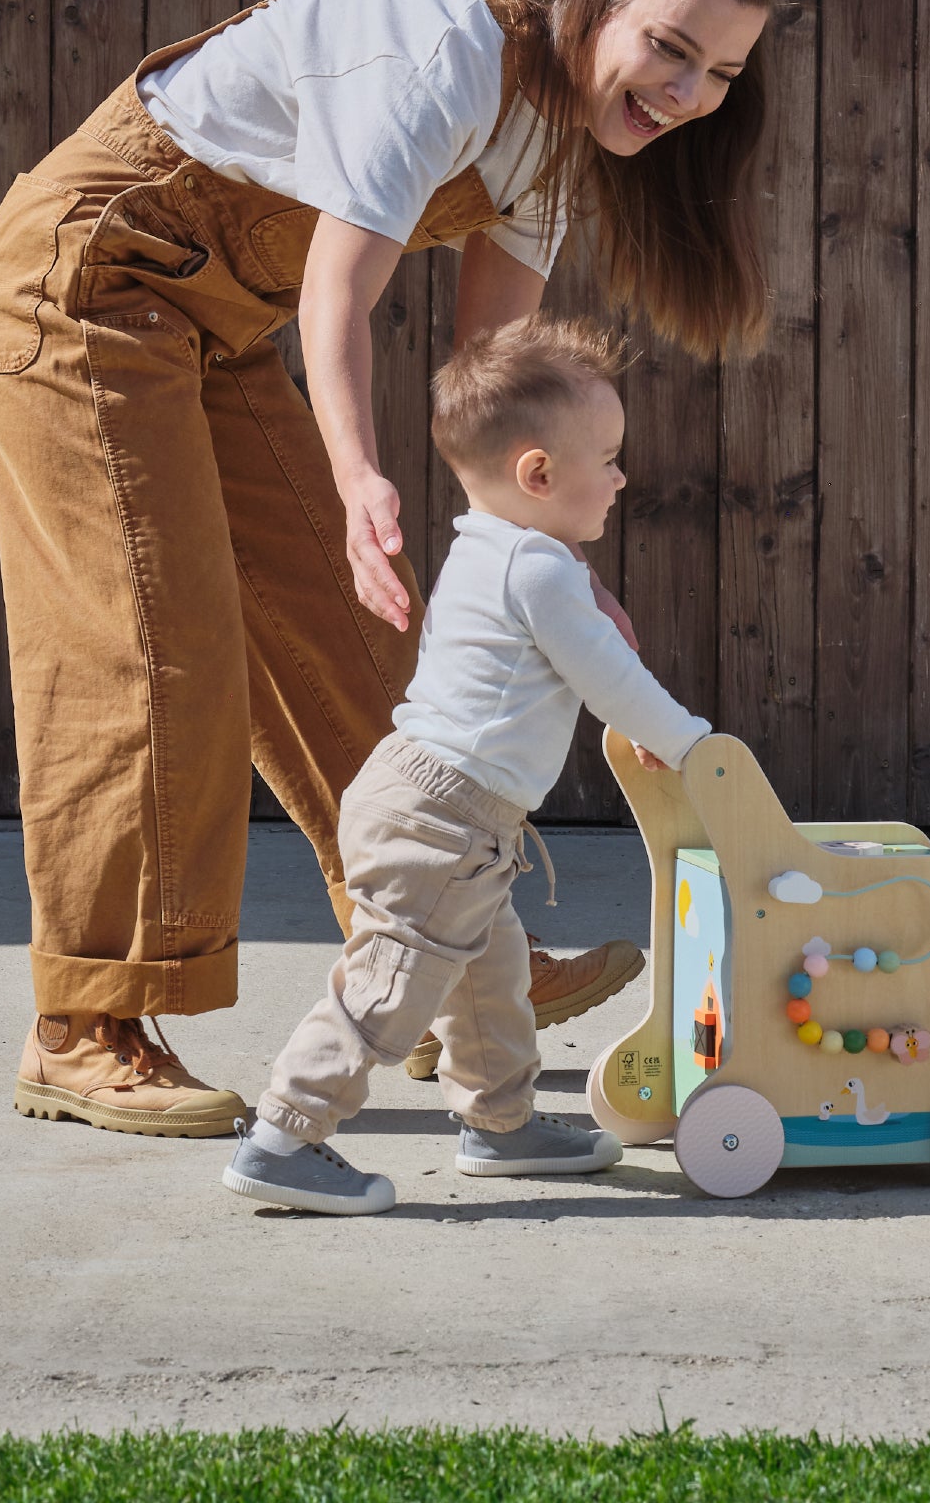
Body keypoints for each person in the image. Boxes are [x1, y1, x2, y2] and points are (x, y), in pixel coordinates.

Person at [0, 0, 774, 1136]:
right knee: (155, 647)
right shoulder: (444, 54)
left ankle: (445, 959)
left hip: (207, 331)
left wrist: (556, 560)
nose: (684, 91)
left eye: (717, 72)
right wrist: (356, 478)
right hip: (79, 293)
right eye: (669, 46)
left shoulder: (550, 150)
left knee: (356, 636)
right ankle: (85, 1023)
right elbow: (336, 291)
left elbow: (495, 384)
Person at [224, 317, 710, 1214]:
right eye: (608, 459)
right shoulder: (540, 571)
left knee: (489, 980)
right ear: (539, 474)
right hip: (443, 818)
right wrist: (690, 744)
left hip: (440, 808)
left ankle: (501, 1122)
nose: (620, 477)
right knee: (392, 984)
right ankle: (283, 1137)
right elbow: (609, 675)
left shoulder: (487, 546)